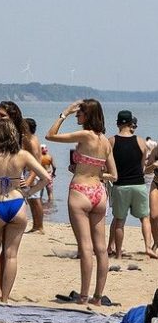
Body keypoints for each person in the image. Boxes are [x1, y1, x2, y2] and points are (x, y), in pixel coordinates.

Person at [45, 99, 117, 305]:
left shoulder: (85, 135)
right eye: (75, 113)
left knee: (85, 247)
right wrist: (96, 172)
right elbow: (114, 175)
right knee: (101, 248)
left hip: (80, 192)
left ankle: (84, 296)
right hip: (99, 193)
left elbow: (50, 135)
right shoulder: (105, 142)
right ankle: (97, 296)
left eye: (79, 113)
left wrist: (64, 113)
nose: (77, 116)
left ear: (88, 116)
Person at [0, 119, 50, 302]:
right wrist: (29, 192)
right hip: (17, 204)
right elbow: (46, 178)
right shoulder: (23, 155)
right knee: (11, 256)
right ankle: (5, 299)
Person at [107, 110, 156, 259]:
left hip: (120, 185)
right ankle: (148, 247)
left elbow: (108, 165)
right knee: (145, 218)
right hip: (139, 184)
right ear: (130, 124)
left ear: (117, 124)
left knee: (120, 221)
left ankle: (119, 253)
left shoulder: (111, 141)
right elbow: (143, 167)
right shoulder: (141, 141)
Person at [23, 118, 46, 234]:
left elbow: (35, 160)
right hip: (33, 171)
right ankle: (36, 225)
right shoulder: (32, 138)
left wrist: (30, 178)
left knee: (35, 200)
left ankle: (39, 226)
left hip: (32, 172)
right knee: (33, 200)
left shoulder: (31, 141)